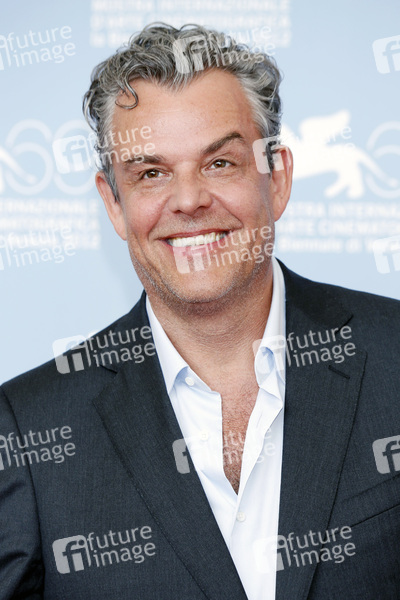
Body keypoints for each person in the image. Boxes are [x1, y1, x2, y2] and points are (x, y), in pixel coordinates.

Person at [1, 23, 399, 600]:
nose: (188, 200)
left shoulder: (392, 356)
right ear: (113, 204)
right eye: (151, 173)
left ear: (277, 179)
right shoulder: (29, 429)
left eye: (220, 164)